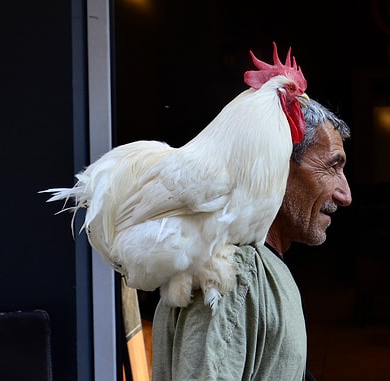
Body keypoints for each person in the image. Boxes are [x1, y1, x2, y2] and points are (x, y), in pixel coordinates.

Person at [151, 98, 352, 381]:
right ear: (278, 165)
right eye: (332, 167)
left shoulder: (255, 267)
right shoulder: (231, 273)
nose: (345, 195)